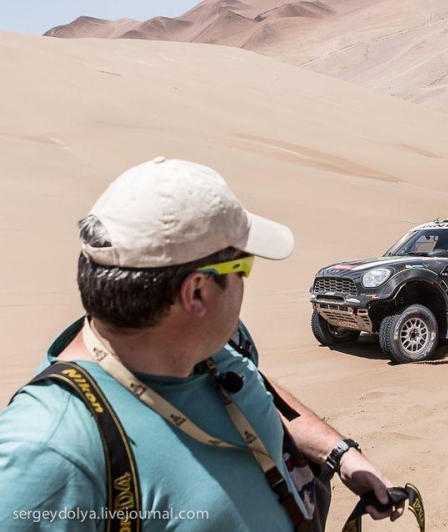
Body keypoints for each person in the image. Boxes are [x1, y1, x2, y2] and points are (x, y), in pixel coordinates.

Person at [0, 157, 404, 531]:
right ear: (196, 293)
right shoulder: (50, 453)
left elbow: (254, 388)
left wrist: (339, 454)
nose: (246, 283)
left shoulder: (206, 351)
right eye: (242, 267)